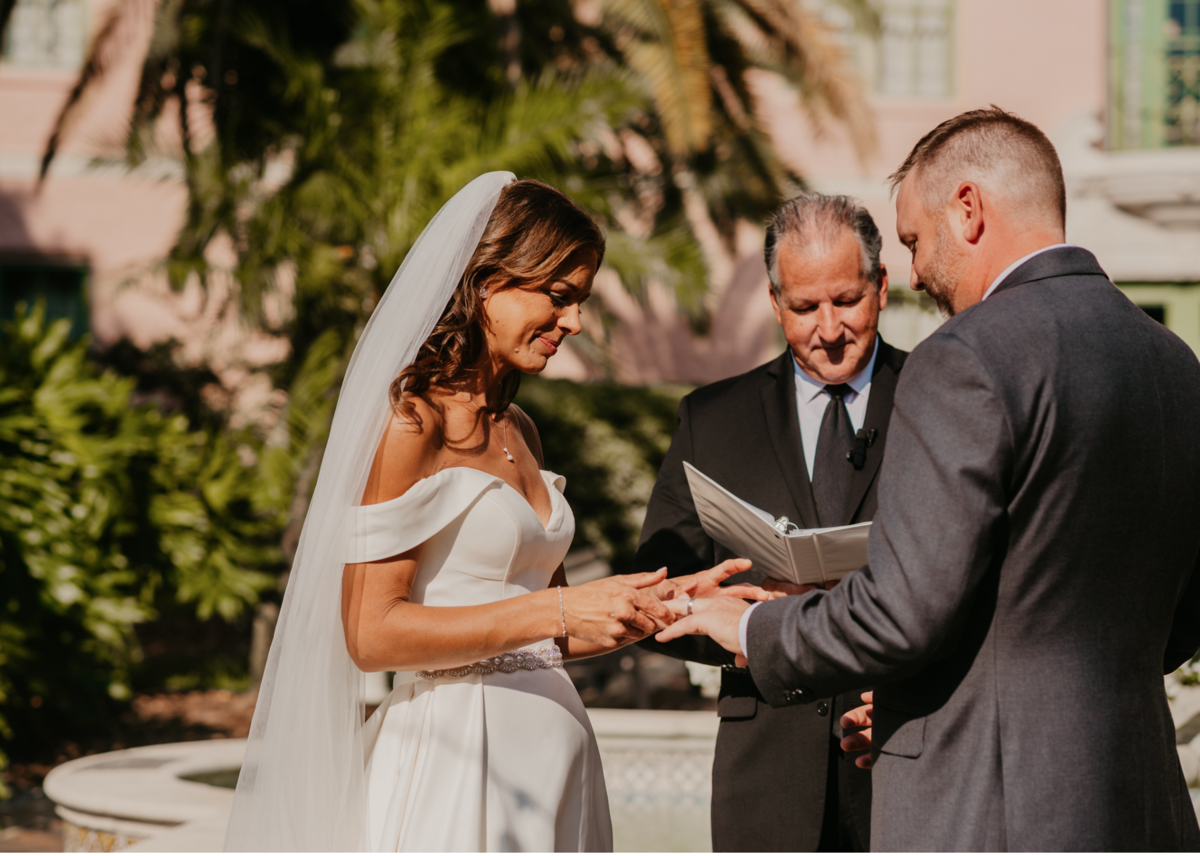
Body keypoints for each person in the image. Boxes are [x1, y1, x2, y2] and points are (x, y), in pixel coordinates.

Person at [658, 107, 1200, 850]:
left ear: (968, 210)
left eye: (914, 240)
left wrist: (751, 624)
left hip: (993, 807)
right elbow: (1182, 614)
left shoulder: (964, 356)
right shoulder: (1174, 361)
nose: (915, 273)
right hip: (1142, 806)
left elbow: (903, 612)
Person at [223, 174, 760, 851]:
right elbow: (369, 632)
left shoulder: (521, 429)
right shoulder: (409, 422)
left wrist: (674, 603)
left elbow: (553, 633)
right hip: (456, 760)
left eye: (582, 301)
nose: (575, 323)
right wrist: (559, 611)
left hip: (553, 759)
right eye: (559, 297)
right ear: (485, 282)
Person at [627, 193, 905, 851]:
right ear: (776, 304)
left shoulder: (942, 400)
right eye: (805, 308)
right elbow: (648, 592)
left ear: (882, 287)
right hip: (766, 777)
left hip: (901, 759)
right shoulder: (711, 420)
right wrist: (722, 614)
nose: (829, 328)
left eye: (847, 301)